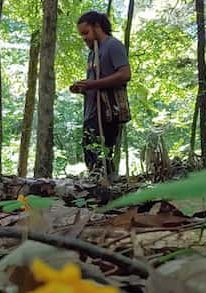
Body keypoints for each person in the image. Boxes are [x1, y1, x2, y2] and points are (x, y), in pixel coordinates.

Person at [69, 11, 131, 181]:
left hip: (107, 112)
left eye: (85, 32)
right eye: (81, 34)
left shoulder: (113, 45)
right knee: (90, 155)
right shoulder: (92, 53)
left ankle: (107, 194)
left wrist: (93, 85)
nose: (84, 38)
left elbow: (125, 74)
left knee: (103, 156)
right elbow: (94, 82)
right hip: (91, 112)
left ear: (97, 26)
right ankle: (95, 193)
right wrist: (82, 88)